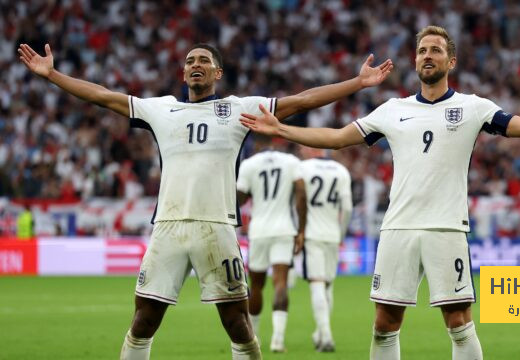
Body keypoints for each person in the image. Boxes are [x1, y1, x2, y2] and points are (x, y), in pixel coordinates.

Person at [238, 25, 520, 360]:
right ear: (415, 60)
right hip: (398, 228)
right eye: (422, 50)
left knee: (459, 322)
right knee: (384, 323)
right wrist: (283, 130)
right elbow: (338, 138)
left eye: (436, 50)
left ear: (450, 61)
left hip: (446, 227)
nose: (427, 55)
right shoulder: (393, 109)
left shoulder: (474, 108)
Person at [17, 42, 392, 360]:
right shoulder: (161, 109)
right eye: (190, 62)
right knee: (144, 318)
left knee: (237, 322)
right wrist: (53, 76)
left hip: (217, 228)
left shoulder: (239, 109)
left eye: (203, 62)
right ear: (183, 75)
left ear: (217, 73)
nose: (195, 65)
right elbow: (102, 96)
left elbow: (302, 101)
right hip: (169, 227)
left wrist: (357, 83)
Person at [236, 135, 307, 352]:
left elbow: (239, 199)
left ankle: (253, 337)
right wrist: (301, 230)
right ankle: (277, 340)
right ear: (275, 141)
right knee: (280, 282)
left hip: (259, 231)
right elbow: (301, 196)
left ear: (257, 144)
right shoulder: (291, 162)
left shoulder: (249, 164)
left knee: (256, 286)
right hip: (284, 229)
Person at [295, 146, 352, 352]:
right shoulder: (341, 170)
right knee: (328, 284)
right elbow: (347, 209)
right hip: (332, 234)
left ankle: (326, 336)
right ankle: (320, 333)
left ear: (310, 149)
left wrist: (298, 230)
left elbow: (298, 201)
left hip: (312, 233)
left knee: (317, 283)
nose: (301, 149)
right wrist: (341, 233)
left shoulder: (302, 168)